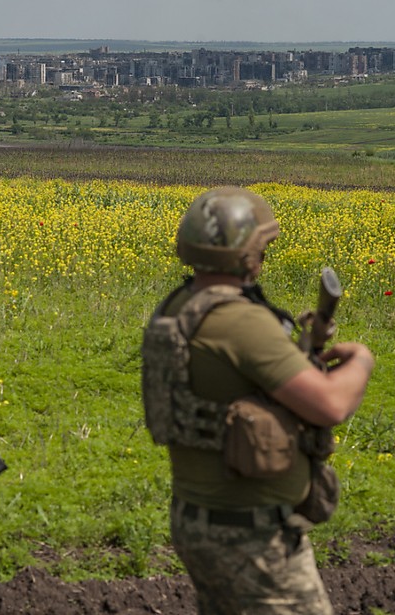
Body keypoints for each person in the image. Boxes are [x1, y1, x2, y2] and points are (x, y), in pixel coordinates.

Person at [141, 186, 374, 615]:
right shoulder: (240, 322)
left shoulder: (180, 306)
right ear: (247, 254)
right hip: (251, 537)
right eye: (262, 248)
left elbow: (232, 384)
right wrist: (360, 361)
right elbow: (329, 405)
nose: (264, 257)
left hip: (198, 518)